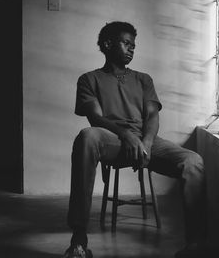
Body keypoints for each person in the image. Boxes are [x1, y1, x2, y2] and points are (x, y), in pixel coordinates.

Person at [63, 21, 206, 258]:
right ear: (108, 44)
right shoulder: (89, 79)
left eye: (134, 45)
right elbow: (95, 118)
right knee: (87, 137)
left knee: (194, 162)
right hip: (113, 140)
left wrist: (146, 143)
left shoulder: (143, 79)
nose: (132, 49)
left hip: (146, 141)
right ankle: (78, 241)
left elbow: (152, 115)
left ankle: (196, 245)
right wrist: (125, 135)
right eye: (126, 43)